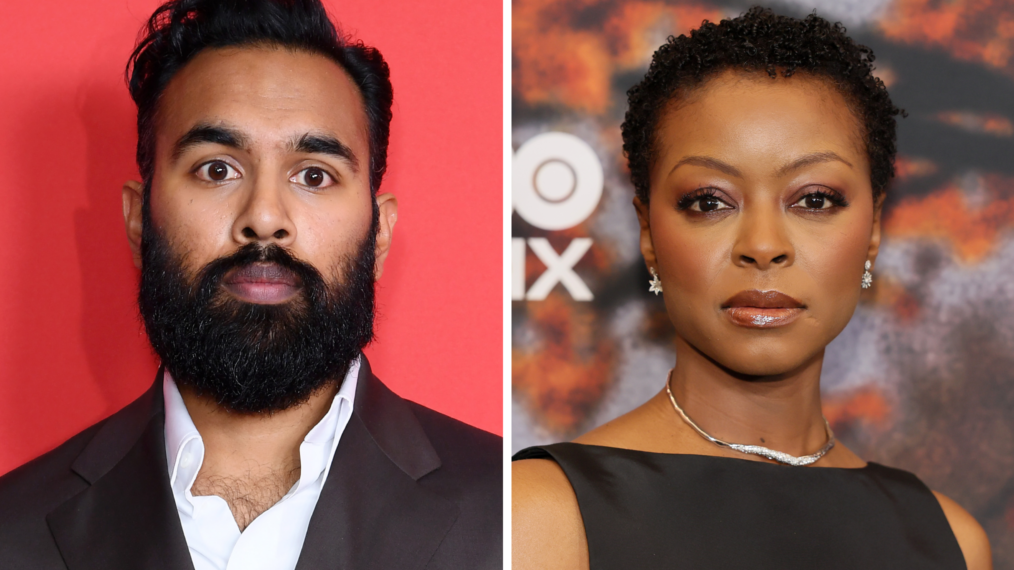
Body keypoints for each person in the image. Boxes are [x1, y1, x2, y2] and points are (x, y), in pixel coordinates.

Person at [0, 0, 501, 568]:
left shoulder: (510, 513)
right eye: (218, 169)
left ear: (380, 234)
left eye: (314, 175)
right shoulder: (12, 530)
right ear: (139, 220)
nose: (264, 216)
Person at [513, 8, 991, 570]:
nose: (763, 245)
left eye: (814, 199)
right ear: (648, 234)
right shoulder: (541, 516)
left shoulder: (949, 541)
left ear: (874, 231)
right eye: (710, 201)